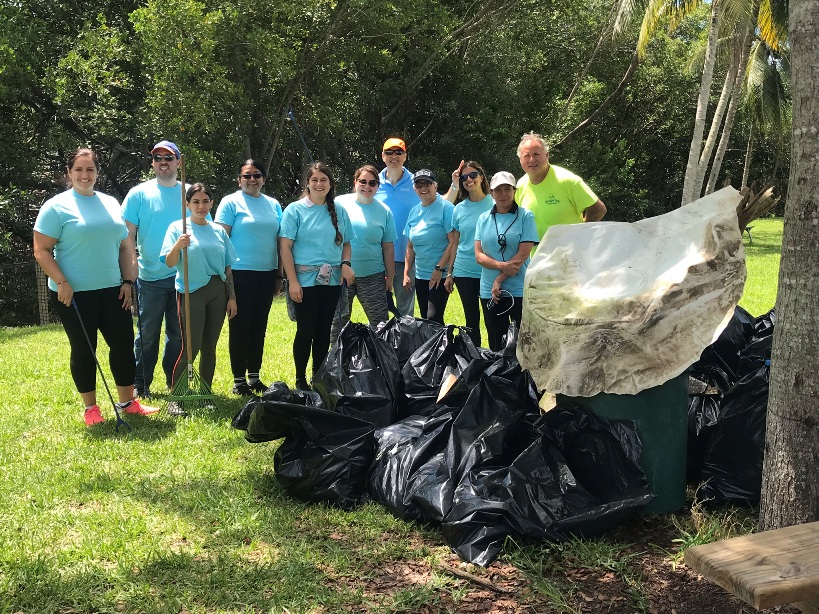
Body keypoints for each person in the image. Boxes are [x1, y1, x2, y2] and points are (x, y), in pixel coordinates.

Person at [33, 148, 159, 426]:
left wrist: (128, 281)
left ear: (97, 173)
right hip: (73, 294)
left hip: (113, 290)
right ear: (69, 173)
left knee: (124, 345)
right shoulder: (56, 207)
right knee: (84, 349)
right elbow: (41, 250)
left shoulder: (111, 202)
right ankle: (91, 409)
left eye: (90, 169)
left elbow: (125, 245)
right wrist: (62, 282)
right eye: (78, 169)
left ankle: (128, 402)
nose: (84, 175)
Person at [122, 140, 192, 399]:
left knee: (178, 336)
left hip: (182, 277)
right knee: (147, 335)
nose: (163, 162)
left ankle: (175, 382)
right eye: (158, 158)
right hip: (149, 277)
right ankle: (141, 384)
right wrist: (130, 269)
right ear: (152, 163)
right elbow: (127, 235)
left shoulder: (188, 192)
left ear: (178, 162)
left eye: (169, 157)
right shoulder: (138, 194)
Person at [161, 183, 238, 414]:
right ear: (187, 204)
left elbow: (227, 267)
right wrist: (178, 245)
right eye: (195, 202)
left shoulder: (218, 231)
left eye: (205, 201)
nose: (201, 206)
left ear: (211, 203)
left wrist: (232, 297)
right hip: (190, 290)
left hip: (217, 290)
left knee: (210, 347)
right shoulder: (178, 228)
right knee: (189, 347)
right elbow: (169, 262)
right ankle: (177, 397)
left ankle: (205, 393)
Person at [279, 162, 355, 391]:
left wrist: (345, 264)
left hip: (331, 281)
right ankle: (301, 378)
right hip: (304, 281)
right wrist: (292, 281)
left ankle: (318, 376)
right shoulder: (295, 210)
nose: (319, 184)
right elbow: (285, 248)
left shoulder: (339, 211)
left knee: (323, 331)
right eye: (314, 180)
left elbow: (347, 243)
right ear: (308, 183)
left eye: (324, 180)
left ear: (330, 184)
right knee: (306, 330)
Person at [215, 160, 282, 396]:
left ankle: (254, 376)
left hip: (267, 274)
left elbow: (279, 241)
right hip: (239, 274)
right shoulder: (230, 203)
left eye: (257, 175)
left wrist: (279, 275)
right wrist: (226, 276)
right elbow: (220, 241)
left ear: (263, 179)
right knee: (240, 326)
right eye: (247, 176)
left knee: (258, 326)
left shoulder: (273, 205)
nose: (252, 180)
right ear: (239, 179)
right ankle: (238, 380)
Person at [475, 171, 539, 351]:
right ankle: (499, 377)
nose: (503, 194)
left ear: (514, 191)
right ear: (491, 193)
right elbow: (478, 255)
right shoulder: (483, 218)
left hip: (518, 288)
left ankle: (522, 378)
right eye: (498, 190)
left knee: (523, 341)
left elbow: (523, 254)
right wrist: (500, 268)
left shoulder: (526, 216)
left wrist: (499, 279)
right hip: (490, 290)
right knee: (496, 339)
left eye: (507, 189)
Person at [331, 164, 397, 340]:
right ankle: (335, 363)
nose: (367, 186)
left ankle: (382, 362)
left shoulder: (384, 211)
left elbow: (388, 246)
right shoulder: (339, 203)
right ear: (355, 182)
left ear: (377, 186)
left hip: (373, 275)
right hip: (341, 275)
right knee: (337, 325)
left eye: (372, 183)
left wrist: (390, 276)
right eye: (363, 181)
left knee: (381, 326)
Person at [515, 132, 607, 239]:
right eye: (526, 156)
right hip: (536, 255)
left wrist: (582, 232)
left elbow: (598, 209)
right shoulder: (520, 186)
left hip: (569, 254)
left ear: (547, 155)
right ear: (520, 160)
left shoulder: (567, 180)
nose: (532, 159)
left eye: (536, 154)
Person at [443, 160, 494, 346]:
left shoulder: (495, 203)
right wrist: (449, 272)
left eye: (473, 175)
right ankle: (475, 359)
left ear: (481, 177)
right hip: (464, 271)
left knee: (492, 319)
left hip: (489, 270)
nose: (469, 180)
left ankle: (497, 359)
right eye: (464, 177)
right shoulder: (458, 209)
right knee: (471, 319)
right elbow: (455, 242)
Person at [403, 169, 457, 325]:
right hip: (420, 275)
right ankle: (433, 349)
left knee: (433, 318)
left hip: (439, 274)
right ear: (414, 188)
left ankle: (445, 348)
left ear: (436, 186)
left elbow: (452, 242)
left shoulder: (446, 208)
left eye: (428, 184)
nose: (423, 188)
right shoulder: (414, 211)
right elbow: (410, 246)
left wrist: (440, 269)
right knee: (425, 319)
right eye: (419, 185)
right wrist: (407, 272)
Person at [375, 138, 417, 317]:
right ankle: (383, 344)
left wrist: (455, 185)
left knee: (405, 312)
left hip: (405, 258)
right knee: (378, 310)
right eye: (390, 152)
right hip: (376, 258)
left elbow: (438, 204)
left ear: (405, 156)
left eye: (399, 152)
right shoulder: (370, 183)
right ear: (383, 156)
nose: (394, 156)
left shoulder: (417, 182)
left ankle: (405, 344)